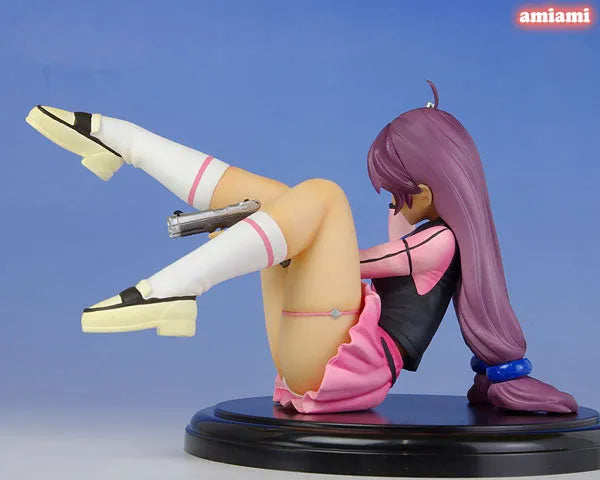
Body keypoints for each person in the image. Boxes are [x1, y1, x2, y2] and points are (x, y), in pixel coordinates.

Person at [26, 81, 577, 414]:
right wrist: (269, 234)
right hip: (316, 351)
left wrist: (267, 242)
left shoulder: (441, 241)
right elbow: (326, 253)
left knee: (322, 198)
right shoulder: (419, 226)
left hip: (347, 368)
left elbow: (353, 264)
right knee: (282, 200)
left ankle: (175, 287)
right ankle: (124, 142)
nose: (390, 200)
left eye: (395, 191)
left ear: (428, 190)